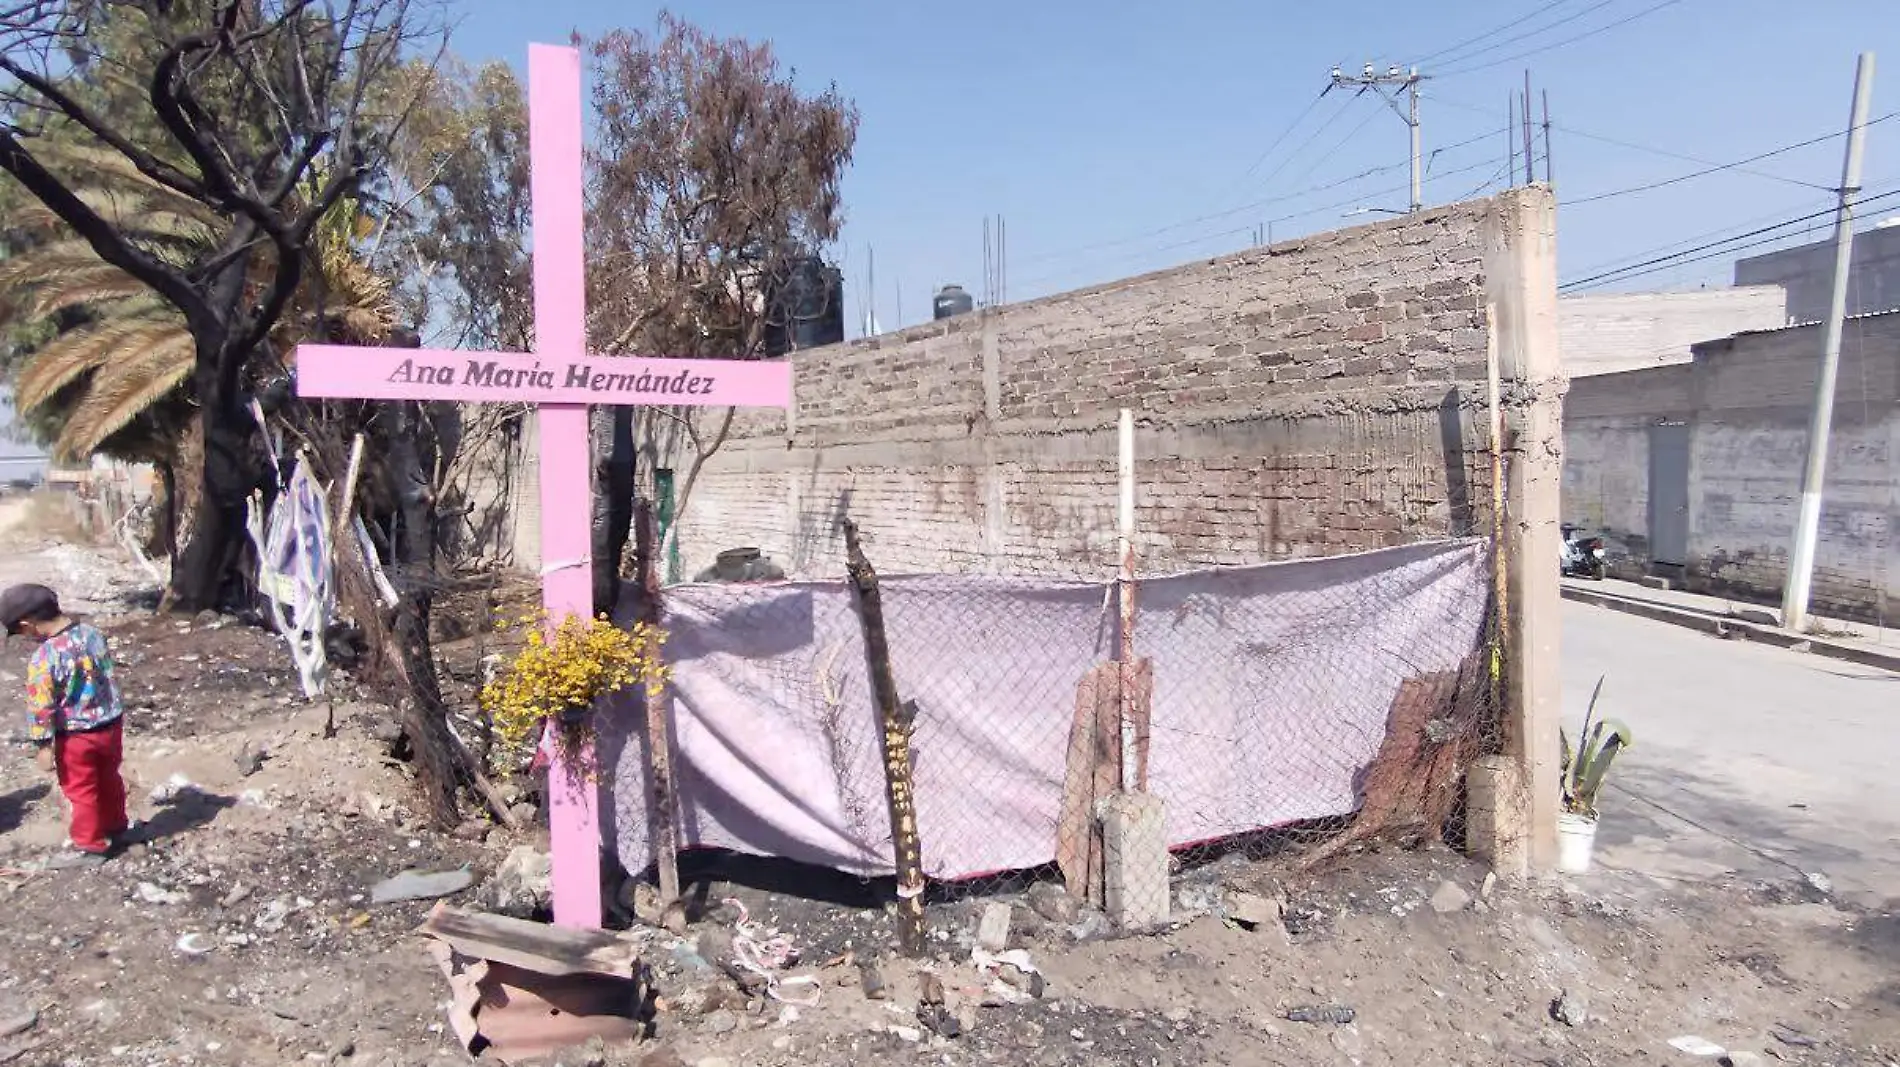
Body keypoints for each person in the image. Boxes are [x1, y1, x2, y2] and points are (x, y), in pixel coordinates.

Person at [1, 583, 127, 868]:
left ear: (28, 624)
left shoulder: (44, 658)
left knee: (80, 789)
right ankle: (116, 826)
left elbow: (41, 707)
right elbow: (106, 677)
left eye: (20, 632)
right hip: (110, 725)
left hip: (76, 736)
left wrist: (43, 745)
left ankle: (89, 844)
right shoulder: (92, 634)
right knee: (109, 778)